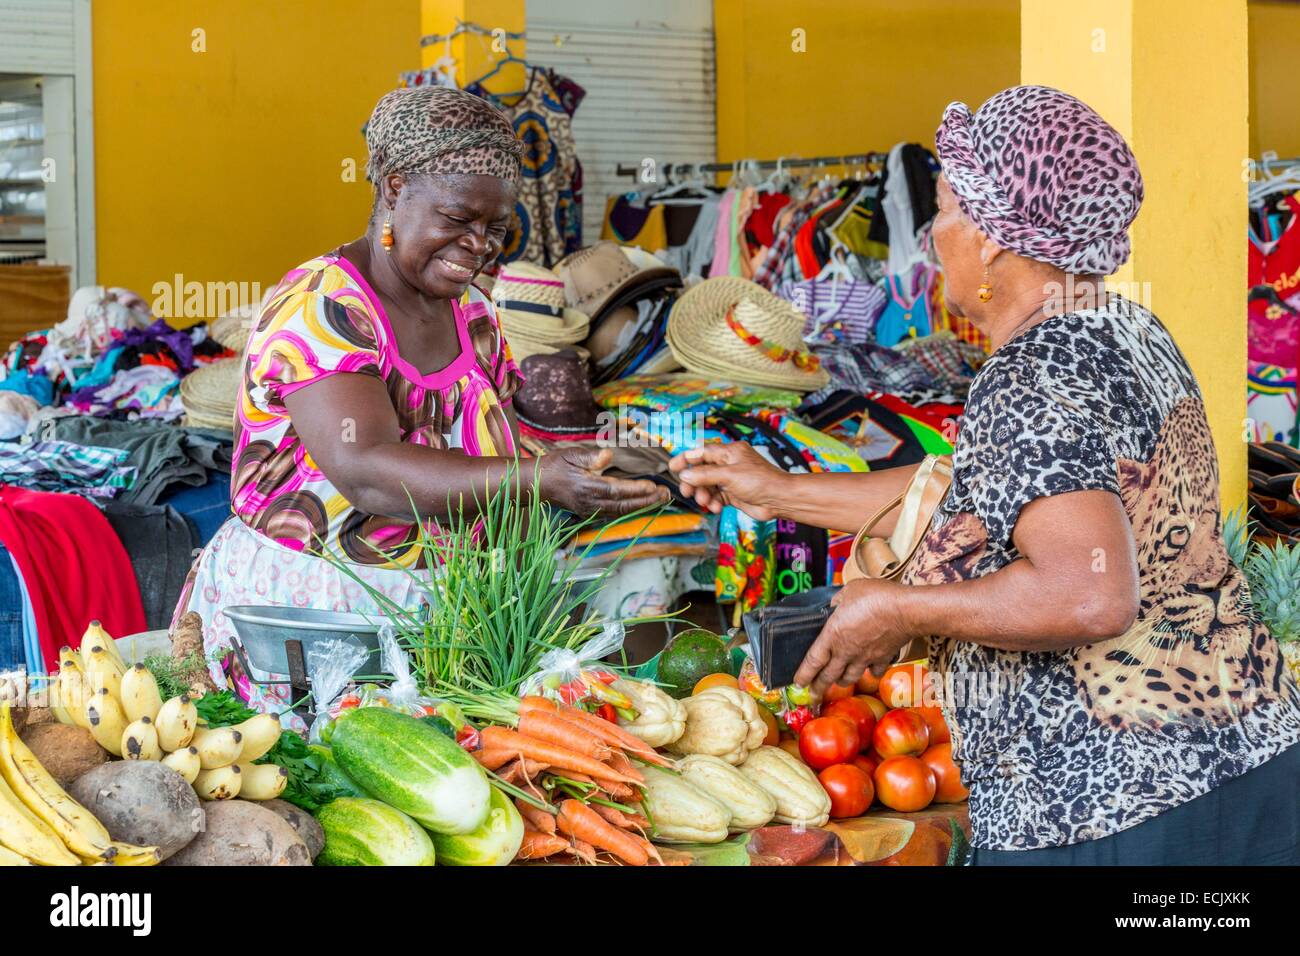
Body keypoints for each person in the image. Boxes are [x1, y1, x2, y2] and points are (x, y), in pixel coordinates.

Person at [669, 86, 1300, 865]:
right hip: (1250, 766)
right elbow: (987, 497)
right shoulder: (1126, 328)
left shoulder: (1032, 372)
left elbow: (1089, 593)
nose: (934, 234)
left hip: (1110, 806)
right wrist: (776, 489)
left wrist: (897, 609)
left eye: (943, 209)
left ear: (997, 239)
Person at [176, 86, 667, 714]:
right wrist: (541, 480)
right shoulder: (324, 307)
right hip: (312, 626)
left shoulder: (475, 314)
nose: (479, 246)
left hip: (445, 620)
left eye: (495, 228)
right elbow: (369, 473)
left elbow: (494, 449)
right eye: (459, 221)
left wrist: (599, 467)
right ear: (396, 188)